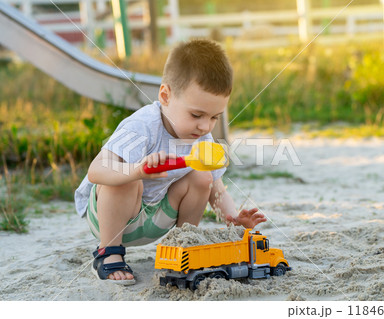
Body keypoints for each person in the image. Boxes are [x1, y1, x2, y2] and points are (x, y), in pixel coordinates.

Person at [74, 39, 266, 285]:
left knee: (203, 177)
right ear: (165, 96)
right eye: (196, 115)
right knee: (130, 180)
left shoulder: (203, 139)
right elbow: (96, 171)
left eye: (214, 117)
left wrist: (233, 218)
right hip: (112, 218)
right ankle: (107, 253)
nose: (205, 126)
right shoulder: (142, 126)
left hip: (157, 218)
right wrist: (136, 170)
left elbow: (215, 189)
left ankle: (183, 245)